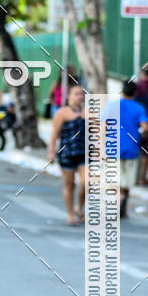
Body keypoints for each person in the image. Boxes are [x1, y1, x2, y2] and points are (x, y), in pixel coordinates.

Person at [105, 80, 148, 218]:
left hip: (112, 148)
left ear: (122, 90)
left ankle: (117, 200)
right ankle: (123, 203)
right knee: (127, 180)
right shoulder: (139, 108)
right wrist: (144, 134)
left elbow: (103, 126)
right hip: (131, 148)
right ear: (135, 92)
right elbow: (145, 127)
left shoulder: (112, 106)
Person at [48, 84, 87, 225]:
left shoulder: (88, 112)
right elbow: (54, 133)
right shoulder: (62, 113)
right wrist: (51, 151)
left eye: (82, 94)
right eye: (76, 94)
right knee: (69, 184)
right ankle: (70, 214)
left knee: (86, 182)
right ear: (69, 96)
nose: (80, 97)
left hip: (84, 152)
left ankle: (79, 207)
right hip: (67, 152)